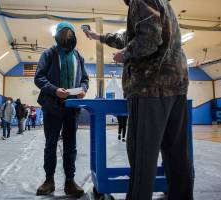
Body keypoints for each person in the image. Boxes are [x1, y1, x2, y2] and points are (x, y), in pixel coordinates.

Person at [84, 0, 194, 199]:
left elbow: (149, 38)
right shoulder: (163, 3)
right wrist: (98, 37)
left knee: (143, 156)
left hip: (149, 87)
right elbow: (130, 36)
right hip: (176, 86)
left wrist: (125, 55)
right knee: (177, 155)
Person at [35, 21, 89, 198]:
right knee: (50, 144)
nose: (68, 38)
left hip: (71, 108)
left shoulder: (78, 56)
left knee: (71, 145)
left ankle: (70, 182)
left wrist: (83, 89)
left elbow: (85, 79)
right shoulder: (49, 54)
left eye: (70, 35)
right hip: (52, 107)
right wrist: (54, 90)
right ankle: (49, 180)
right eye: (64, 35)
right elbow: (39, 78)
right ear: (58, 36)